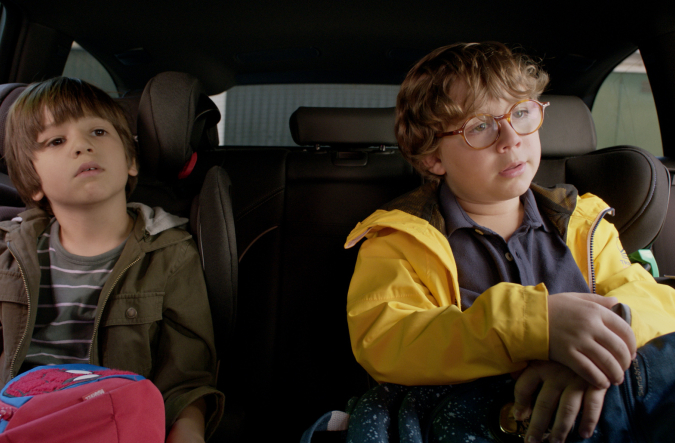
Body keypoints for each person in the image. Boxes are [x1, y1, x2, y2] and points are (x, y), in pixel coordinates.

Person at [344, 42, 675, 443]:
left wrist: (595, 344)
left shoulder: (583, 222)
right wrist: (536, 327)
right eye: (479, 127)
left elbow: (653, 303)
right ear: (433, 158)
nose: (510, 139)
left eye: (520, 113)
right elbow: (387, 340)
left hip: (598, 405)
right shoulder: (399, 239)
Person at [0, 77, 223, 442]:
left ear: (131, 161)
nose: (82, 145)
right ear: (32, 180)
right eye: (57, 141)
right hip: (16, 417)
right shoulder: (9, 253)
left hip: (109, 421)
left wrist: (189, 430)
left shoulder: (170, 255)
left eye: (98, 132)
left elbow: (186, 377)